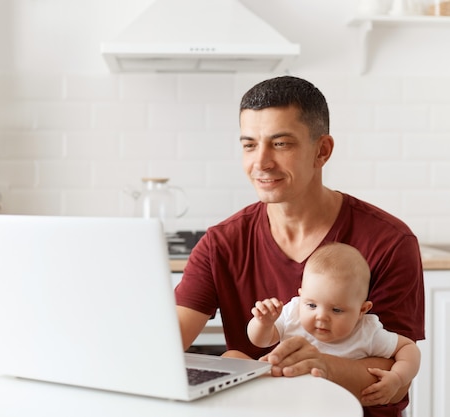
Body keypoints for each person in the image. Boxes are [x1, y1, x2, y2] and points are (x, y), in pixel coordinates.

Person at [174, 75, 424, 417]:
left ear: (322, 151)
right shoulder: (221, 243)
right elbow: (166, 345)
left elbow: (394, 373)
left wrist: (318, 366)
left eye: (280, 144)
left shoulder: (390, 242)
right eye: (249, 144)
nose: (260, 162)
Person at [247, 243, 421, 405]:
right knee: (234, 357)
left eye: (336, 310)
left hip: (338, 408)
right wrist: (264, 323)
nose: (321, 317)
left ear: (362, 310)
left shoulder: (366, 332)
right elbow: (261, 341)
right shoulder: (293, 313)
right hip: (290, 404)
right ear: (301, 296)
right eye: (312, 305)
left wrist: (398, 377)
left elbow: (408, 348)